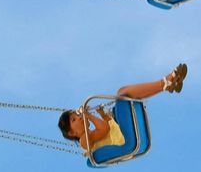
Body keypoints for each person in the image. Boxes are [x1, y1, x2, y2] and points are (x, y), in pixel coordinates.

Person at [56, 64, 187, 156]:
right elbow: (104, 129)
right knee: (122, 93)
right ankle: (165, 82)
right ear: (71, 133)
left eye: (76, 115)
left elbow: (105, 129)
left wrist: (103, 115)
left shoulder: (91, 135)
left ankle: (167, 83)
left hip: (120, 133)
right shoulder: (84, 141)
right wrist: (88, 115)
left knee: (124, 93)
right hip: (122, 139)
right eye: (74, 119)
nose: (79, 117)